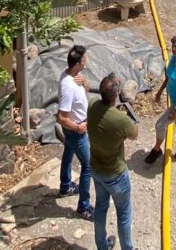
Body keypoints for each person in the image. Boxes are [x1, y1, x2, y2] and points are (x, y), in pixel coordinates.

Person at [88, 73, 139, 250]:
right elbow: (134, 134)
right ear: (117, 96)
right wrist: (126, 117)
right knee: (124, 214)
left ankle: (102, 246)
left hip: (96, 168)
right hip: (115, 174)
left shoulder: (92, 104)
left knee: (101, 207)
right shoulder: (120, 119)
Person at [145, 33, 176, 164]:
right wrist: (160, 91)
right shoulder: (174, 58)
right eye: (173, 45)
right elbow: (168, 76)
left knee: (160, 125)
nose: (173, 49)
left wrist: (175, 110)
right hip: (175, 101)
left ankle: (156, 150)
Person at [57, 44, 93, 218]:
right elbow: (61, 118)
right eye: (85, 59)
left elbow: (85, 90)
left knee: (68, 153)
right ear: (78, 63)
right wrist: (78, 127)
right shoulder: (67, 86)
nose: (87, 61)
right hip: (76, 131)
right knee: (88, 166)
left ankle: (65, 186)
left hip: (75, 131)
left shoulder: (73, 75)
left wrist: (85, 81)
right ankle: (84, 207)